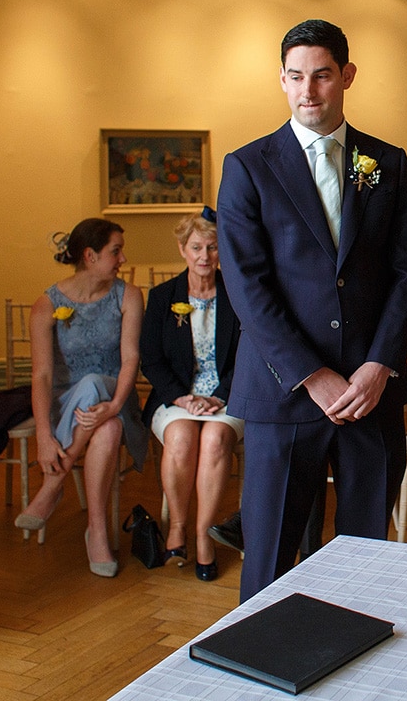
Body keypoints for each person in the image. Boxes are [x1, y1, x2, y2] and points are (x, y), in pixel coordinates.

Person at [218, 18, 407, 602]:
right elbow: (248, 286)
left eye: (322, 76)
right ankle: (262, 670)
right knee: (268, 561)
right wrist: (312, 374)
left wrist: (379, 364)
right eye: (294, 77)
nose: (308, 91)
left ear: (347, 77)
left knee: (366, 556)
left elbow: (406, 273)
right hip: (284, 396)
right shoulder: (249, 167)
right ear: (281, 81)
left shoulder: (389, 163)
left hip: (370, 393)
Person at [14, 218, 147, 578]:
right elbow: (40, 376)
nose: (122, 259)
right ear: (89, 256)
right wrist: (44, 435)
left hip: (117, 399)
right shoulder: (47, 304)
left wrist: (116, 404)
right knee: (106, 431)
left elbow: (131, 358)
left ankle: (53, 485)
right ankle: (98, 532)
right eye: (115, 251)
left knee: (95, 386)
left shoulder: (129, 296)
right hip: (66, 408)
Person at [139, 208, 242, 581]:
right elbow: (150, 359)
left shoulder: (238, 295)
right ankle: (178, 527)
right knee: (181, 437)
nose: (204, 256)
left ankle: (205, 534)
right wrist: (181, 398)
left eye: (212, 248)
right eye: (196, 247)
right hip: (176, 398)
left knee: (214, 439)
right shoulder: (162, 296)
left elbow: (250, 355)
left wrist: (219, 396)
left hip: (228, 396)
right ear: (183, 249)